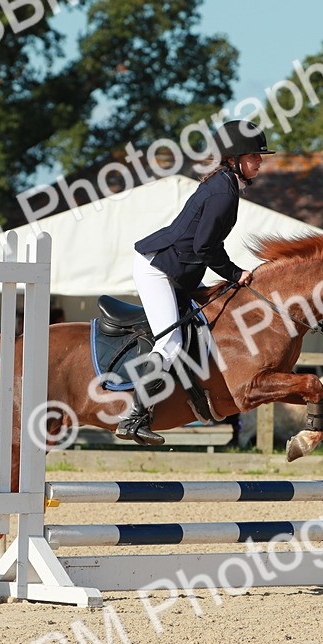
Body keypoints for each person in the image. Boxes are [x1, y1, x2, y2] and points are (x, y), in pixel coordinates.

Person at [120, 119, 275, 445]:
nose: (260, 161)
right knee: (172, 343)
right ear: (234, 158)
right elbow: (205, 247)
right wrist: (235, 274)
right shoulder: (223, 191)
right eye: (254, 156)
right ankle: (134, 416)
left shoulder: (226, 185)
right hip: (158, 269)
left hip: (178, 270)